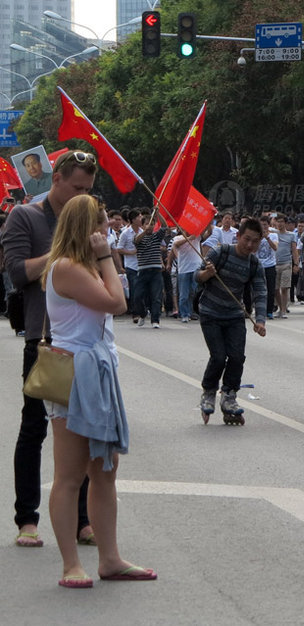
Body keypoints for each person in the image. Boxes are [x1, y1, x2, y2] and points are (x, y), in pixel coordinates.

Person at [41, 194, 156, 588]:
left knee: (105, 470)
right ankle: (71, 564)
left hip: (97, 371)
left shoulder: (83, 266)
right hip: (73, 373)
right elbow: (117, 303)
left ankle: (110, 559)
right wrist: (107, 257)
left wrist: (103, 259)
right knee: (71, 474)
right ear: (86, 228)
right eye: (102, 223)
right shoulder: (69, 267)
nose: (107, 229)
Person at [2, 150, 98, 550]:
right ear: (55, 178)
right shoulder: (25, 216)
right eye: (77, 188)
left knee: (85, 431)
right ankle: (27, 518)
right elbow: (17, 272)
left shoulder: (89, 219)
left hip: (85, 341)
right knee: (34, 428)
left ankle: (82, 519)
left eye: (89, 191)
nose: (83, 196)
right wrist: (63, 251)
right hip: (43, 340)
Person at [195, 217, 267, 424]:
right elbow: (196, 276)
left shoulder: (254, 264)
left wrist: (260, 320)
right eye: (246, 239)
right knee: (218, 357)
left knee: (236, 357)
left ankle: (229, 395)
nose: (250, 245)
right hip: (210, 313)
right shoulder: (221, 252)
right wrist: (207, 274)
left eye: (255, 241)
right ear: (238, 236)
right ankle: (209, 391)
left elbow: (261, 292)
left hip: (235, 316)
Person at [132, 212, 167, 329]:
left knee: (156, 296)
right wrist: (144, 232)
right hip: (142, 272)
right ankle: (142, 314)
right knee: (137, 296)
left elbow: (164, 226)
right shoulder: (138, 237)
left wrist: (158, 214)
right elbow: (136, 241)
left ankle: (155, 320)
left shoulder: (157, 237)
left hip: (156, 271)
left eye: (152, 224)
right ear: (142, 226)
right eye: (147, 224)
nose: (150, 226)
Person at [169, 230, 203, 323]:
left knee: (193, 292)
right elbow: (175, 245)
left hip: (195, 268)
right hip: (184, 269)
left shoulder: (197, 236)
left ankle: (190, 311)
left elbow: (207, 232)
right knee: (184, 294)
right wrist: (188, 238)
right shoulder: (178, 238)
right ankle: (184, 314)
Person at [273, 215, 298, 319]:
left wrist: (296, 264)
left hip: (286, 263)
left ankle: (283, 310)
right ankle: (279, 307)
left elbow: (294, 250)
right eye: (278, 222)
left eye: (282, 222)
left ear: (285, 223)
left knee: (284, 288)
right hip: (274, 264)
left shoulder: (291, 235)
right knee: (275, 289)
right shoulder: (273, 233)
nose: (280, 224)